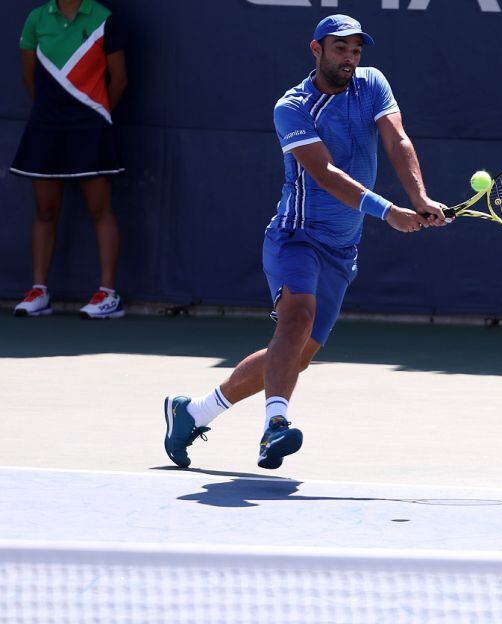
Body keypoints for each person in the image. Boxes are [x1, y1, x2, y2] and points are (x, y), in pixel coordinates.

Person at [162, 14, 447, 470]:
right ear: (316, 50)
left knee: (299, 353)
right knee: (295, 321)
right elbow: (325, 174)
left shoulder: (372, 84)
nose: (350, 58)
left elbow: (397, 141)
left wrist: (419, 197)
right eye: (340, 49)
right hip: (296, 236)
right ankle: (276, 426)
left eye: (356, 50)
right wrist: (390, 212)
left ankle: (193, 411)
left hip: (342, 247)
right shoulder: (291, 107)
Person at [12, 0, 128, 319]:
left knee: (99, 209)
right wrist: (55, 115)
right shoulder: (36, 19)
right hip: (45, 128)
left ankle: (107, 294)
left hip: (91, 129)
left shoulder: (105, 20)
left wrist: (94, 114)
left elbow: (118, 80)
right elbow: (30, 79)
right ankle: (39, 291)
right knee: (45, 210)